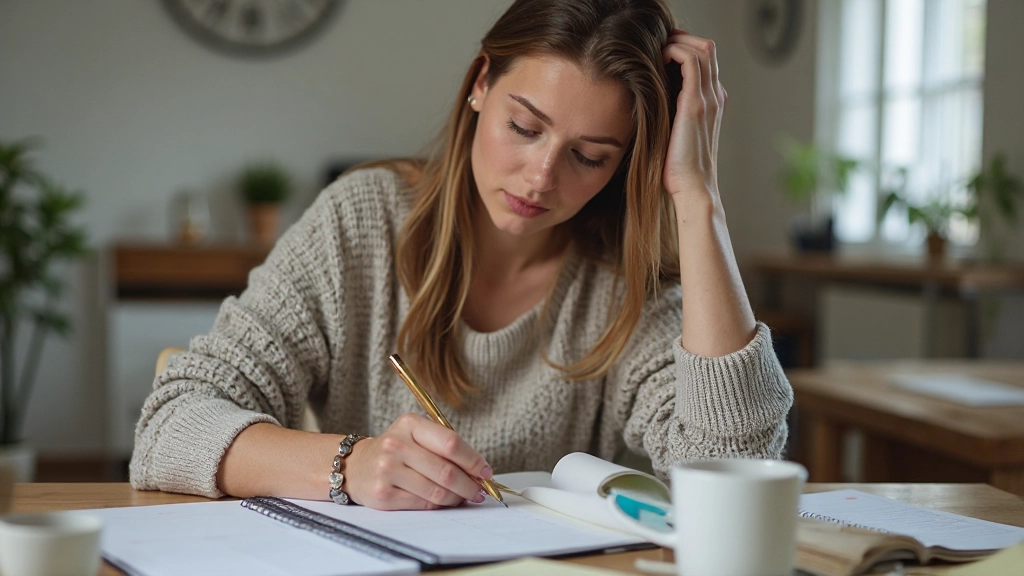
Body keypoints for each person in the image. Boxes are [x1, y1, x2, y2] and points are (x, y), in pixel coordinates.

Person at [130, 0, 793, 511]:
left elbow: (733, 473)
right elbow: (171, 424)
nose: (541, 177)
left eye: (590, 156)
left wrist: (698, 197)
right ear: (480, 84)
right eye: (524, 128)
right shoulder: (360, 222)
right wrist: (350, 466)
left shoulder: (627, 285)